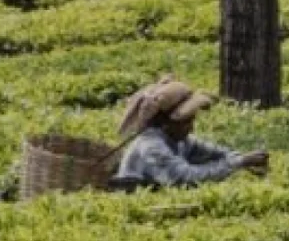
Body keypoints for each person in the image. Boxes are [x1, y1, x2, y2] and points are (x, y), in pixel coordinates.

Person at [111, 76, 269, 189]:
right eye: (186, 122)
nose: (191, 128)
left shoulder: (180, 140)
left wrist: (242, 159)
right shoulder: (152, 147)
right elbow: (186, 178)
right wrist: (238, 163)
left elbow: (218, 153)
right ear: (167, 123)